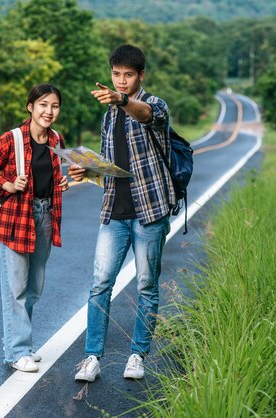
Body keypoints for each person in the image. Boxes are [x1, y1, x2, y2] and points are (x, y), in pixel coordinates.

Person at [69, 44, 175, 381]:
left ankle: (138, 355)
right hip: (114, 212)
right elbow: (109, 168)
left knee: (146, 285)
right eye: (116, 75)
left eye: (128, 75)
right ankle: (92, 357)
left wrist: (123, 101)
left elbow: (146, 115)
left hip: (150, 211)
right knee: (100, 283)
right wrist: (87, 172)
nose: (121, 81)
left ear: (140, 75)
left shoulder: (154, 105)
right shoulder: (108, 115)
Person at [0, 83, 69, 372]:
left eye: (54, 106)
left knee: (34, 287)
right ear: (30, 107)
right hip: (16, 218)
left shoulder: (56, 140)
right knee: (15, 287)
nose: (48, 111)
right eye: (43, 105)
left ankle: (23, 344)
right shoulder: (11, 139)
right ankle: (16, 352)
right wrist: (6, 184)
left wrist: (60, 184)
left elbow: (50, 176)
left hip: (44, 215)